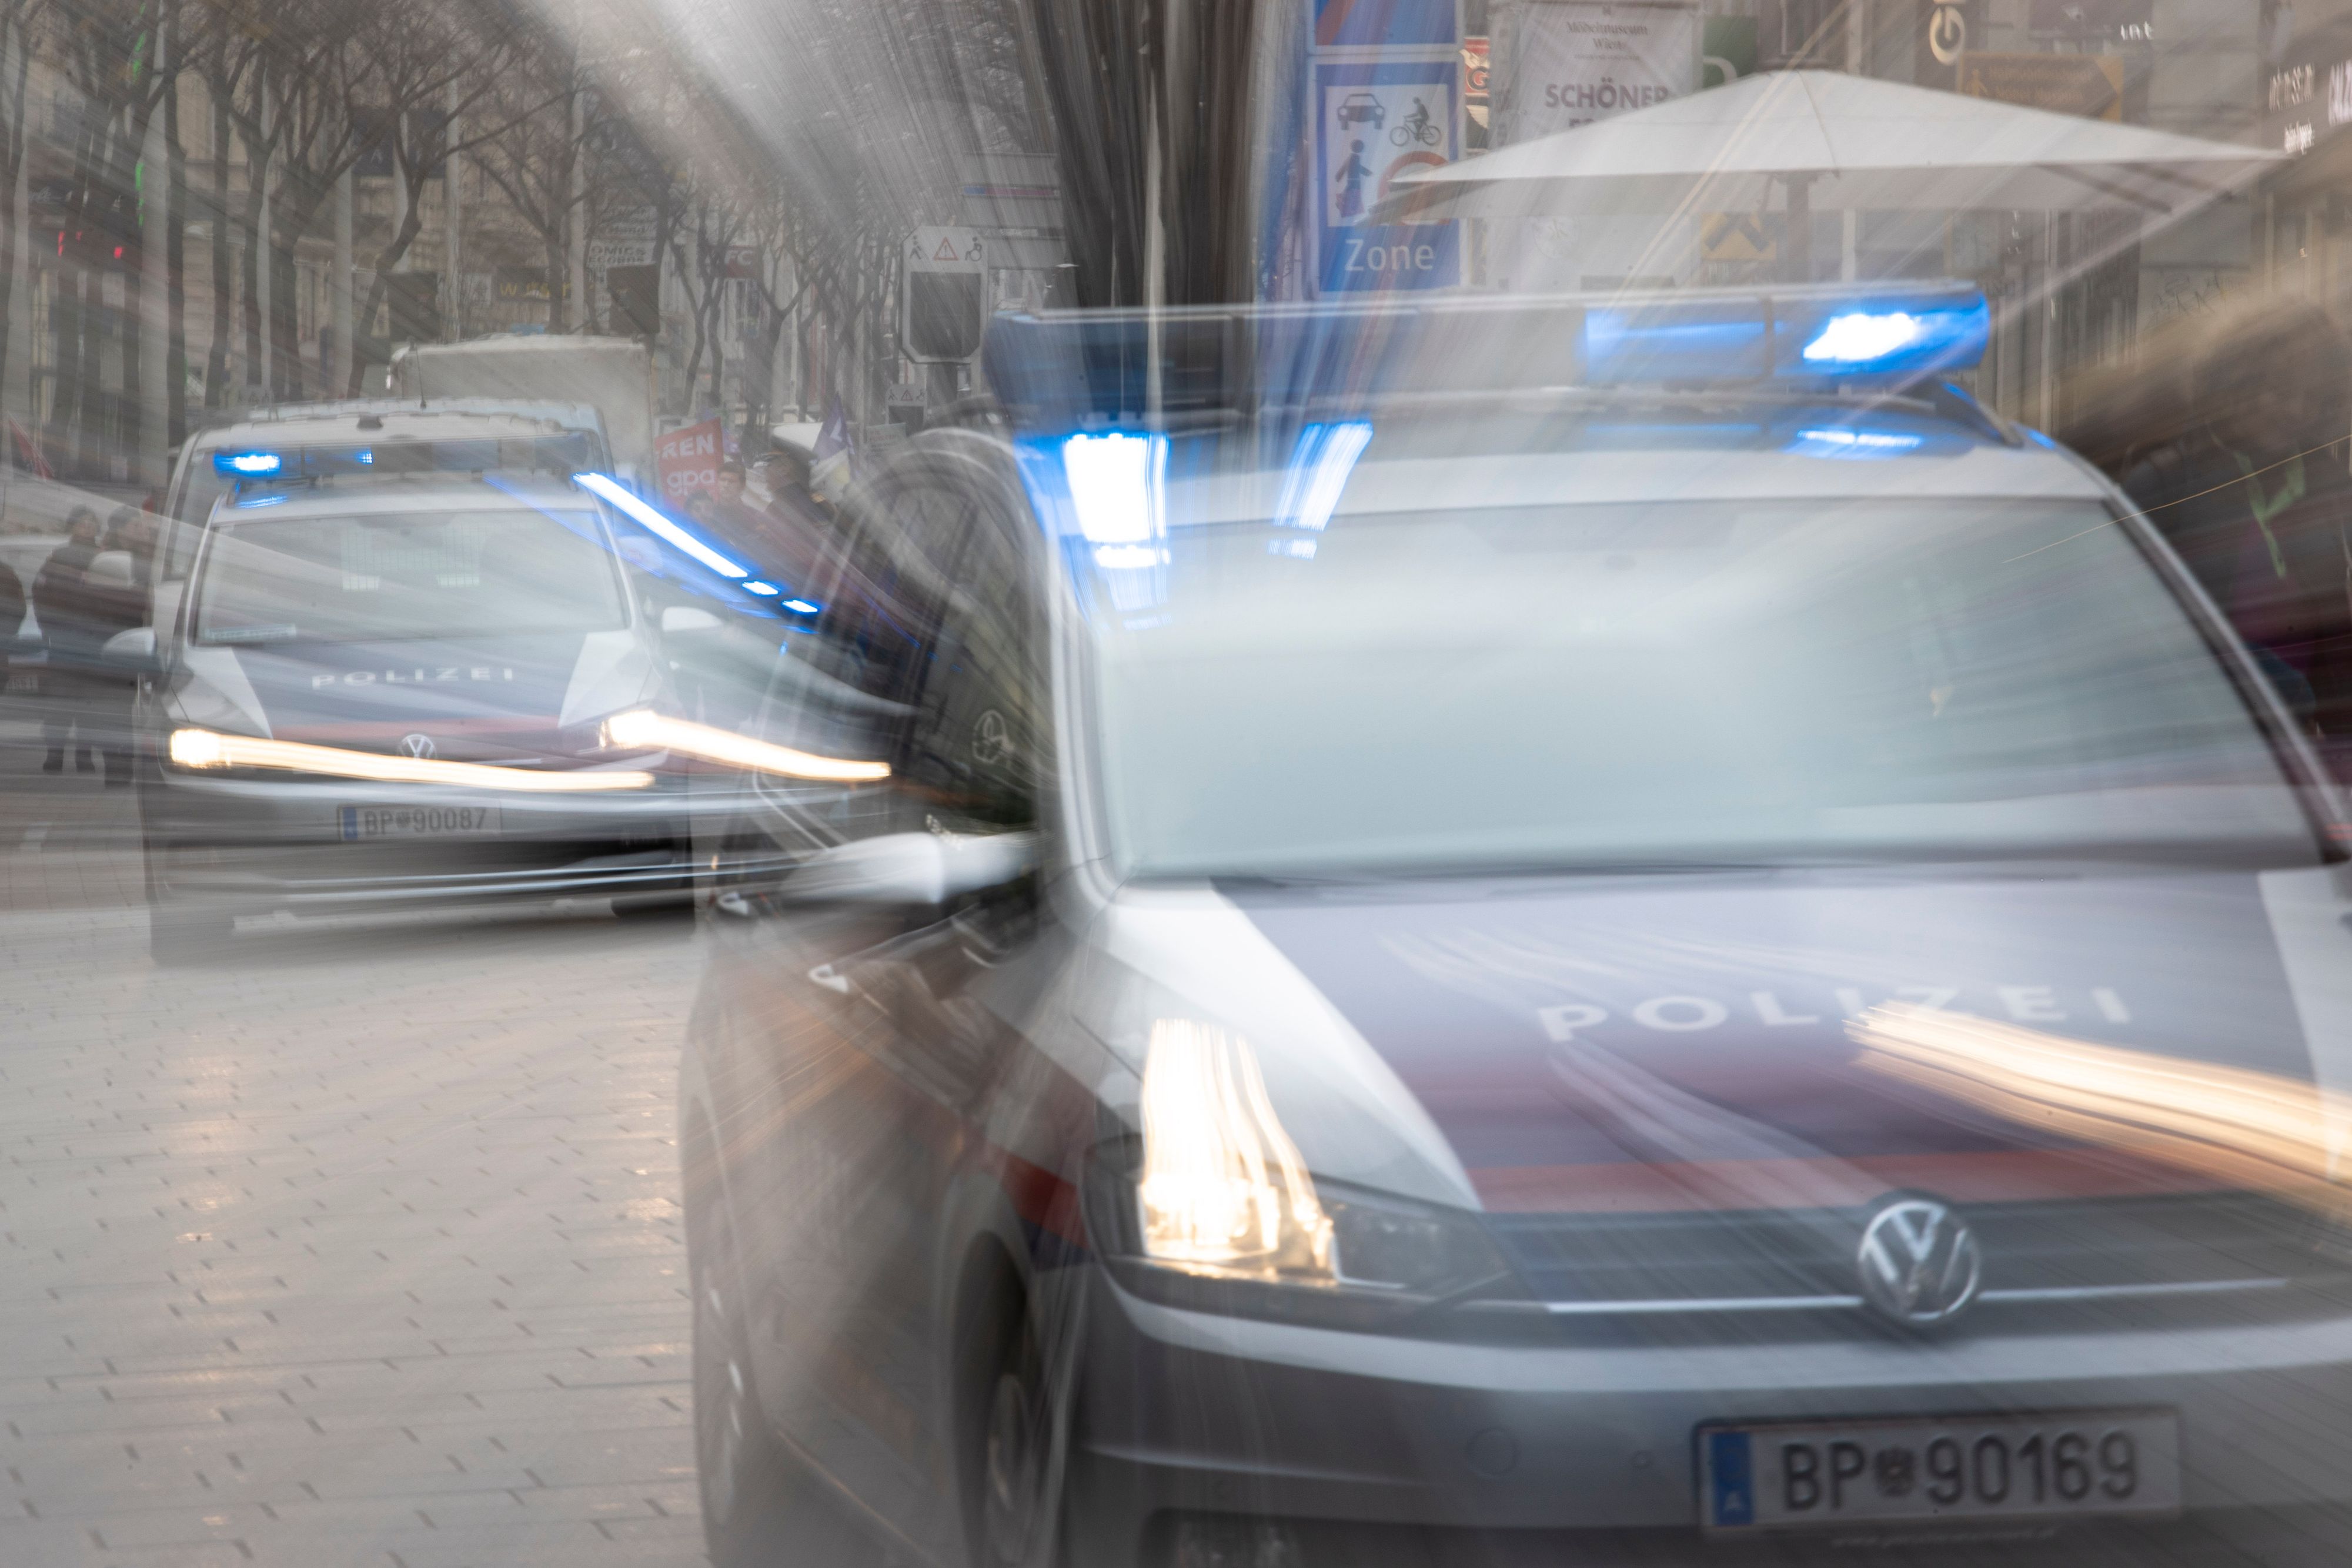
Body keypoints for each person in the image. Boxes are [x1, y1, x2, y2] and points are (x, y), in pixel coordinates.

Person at [2123, 299, 2352, 771]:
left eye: (2314, 395)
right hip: (2182, 760)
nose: (2297, 408)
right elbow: (2119, 635)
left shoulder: (2327, 487)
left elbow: (2335, 637)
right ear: (2229, 386)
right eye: (2278, 389)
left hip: (2294, 765)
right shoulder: (2165, 485)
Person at [32, 508, 105, 775]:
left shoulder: (104, 557)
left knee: (89, 703)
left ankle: (84, 756)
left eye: (91, 523)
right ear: (72, 527)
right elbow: (40, 594)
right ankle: (55, 754)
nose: (87, 528)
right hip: (63, 641)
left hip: (95, 642)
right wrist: (48, 629)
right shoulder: (59, 557)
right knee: (59, 702)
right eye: (81, 524)